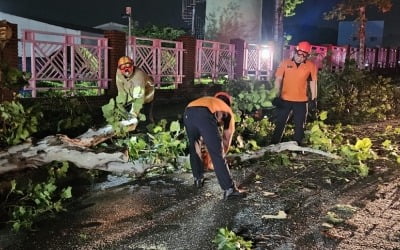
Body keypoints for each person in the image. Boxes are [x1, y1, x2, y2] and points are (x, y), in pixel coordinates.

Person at [183, 92, 245, 200]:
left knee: (194, 146)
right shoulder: (227, 110)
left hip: (188, 112)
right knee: (217, 152)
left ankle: (198, 178)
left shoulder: (210, 101)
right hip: (204, 114)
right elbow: (226, 138)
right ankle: (229, 189)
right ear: (228, 103)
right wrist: (217, 158)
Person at [271, 41, 318, 146]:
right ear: (295, 51)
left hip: (301, 102)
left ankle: (297, 146)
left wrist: (314, 99)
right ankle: (274, 145)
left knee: (300, 126)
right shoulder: (285, 63)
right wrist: (276, 95)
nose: (300, 57)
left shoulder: (311, 66)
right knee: (280, 123)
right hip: (285, 99)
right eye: (299, 54)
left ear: (307, 56)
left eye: (303, 56)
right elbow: (278, 79)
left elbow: (313, 83)